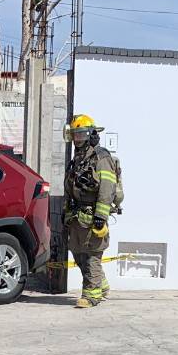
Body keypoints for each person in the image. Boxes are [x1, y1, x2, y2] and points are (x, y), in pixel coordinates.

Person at [63, 114, 120, 308]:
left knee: (92, 256)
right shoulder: (78, 158)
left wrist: (101, 216)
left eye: (81, 134)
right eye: (75, 135)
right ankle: (101, 285)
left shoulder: (101, 157)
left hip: (93, 215)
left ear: (91, 135)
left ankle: (91, 296)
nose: (77, 139)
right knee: (79, 254)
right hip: (78, 217)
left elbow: (107, 188)